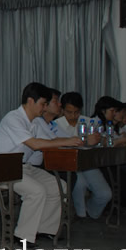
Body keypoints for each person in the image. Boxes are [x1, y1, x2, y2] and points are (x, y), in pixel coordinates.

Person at [0, 82, 82, 246]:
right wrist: (68, 141)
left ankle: (44, 228)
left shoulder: (34, 122)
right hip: (4, 168)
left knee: (60, 186)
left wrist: (71, 141)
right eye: (43, 104)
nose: (45, 108)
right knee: (36, 191)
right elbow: (34, 144)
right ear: (30, 101)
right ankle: (22, 236)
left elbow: (50, 141)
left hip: (24, 167)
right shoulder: (13, 118)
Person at [33, 90, 111, 220]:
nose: (73, 115)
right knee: (78, 183)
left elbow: (69, 141)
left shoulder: (86, 122)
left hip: (86, 162)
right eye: (69, 112)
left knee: (105, 193)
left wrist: (96, 140)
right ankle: (80, 215)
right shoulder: (47, 123)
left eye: (76, 112)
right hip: (62, 164)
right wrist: (84, 141)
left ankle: (90, 213)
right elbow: (58, 143)